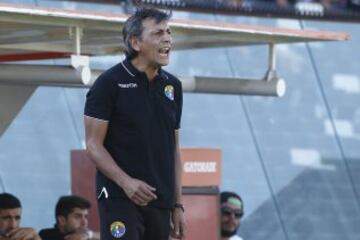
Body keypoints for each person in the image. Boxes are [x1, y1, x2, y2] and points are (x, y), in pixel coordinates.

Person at [84, 7, 185, 240]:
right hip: (120, 197)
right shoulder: (109, 83)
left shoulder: (173, 86)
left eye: (169, 32)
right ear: (136, 43)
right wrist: (126, 183)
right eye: (158, 33)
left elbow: (174, 150)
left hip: (160, 201)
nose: (167, 38)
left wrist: (177, 205)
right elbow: (93, 145)